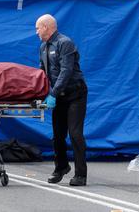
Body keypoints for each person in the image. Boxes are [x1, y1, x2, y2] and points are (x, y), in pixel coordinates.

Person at [36, 14, 88, 187]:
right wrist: (42, 92)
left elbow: (66, 71)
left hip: (75, 94)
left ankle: (81, 174)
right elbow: (42, 73)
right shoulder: (43, 47)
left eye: (38, 28)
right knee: (57, 135)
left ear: (46, 27)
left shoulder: (65, 43)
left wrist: (53, 94)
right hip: (59, 96)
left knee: (75, 133)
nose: (36, 32)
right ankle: (61, 167)